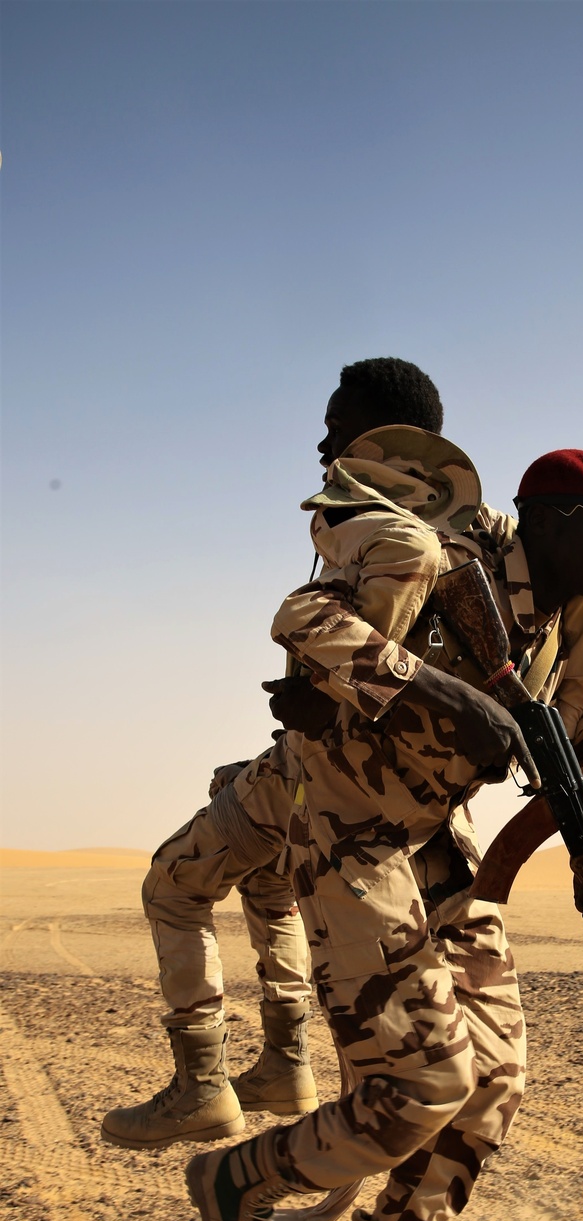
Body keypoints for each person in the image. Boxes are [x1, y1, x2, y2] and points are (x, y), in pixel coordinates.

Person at [186, 440, 583, 1221]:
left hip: (439, 843)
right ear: (545, 523)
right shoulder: (447, 567)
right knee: (424, 1081)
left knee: (494, 1079)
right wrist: (436, 688)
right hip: (349, 834)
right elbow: (301, 616)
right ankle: (237, 1176)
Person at [100, 359, 449, 1152]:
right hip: (305, 772)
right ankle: (285, 1063)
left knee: (173, 882)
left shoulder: (392, 533)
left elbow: (360, 683)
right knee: (262, 873)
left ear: (388, 438)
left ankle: (203, 1086)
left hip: (330, 788)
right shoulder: (428, 532)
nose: (322, 438)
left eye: (340, 423)